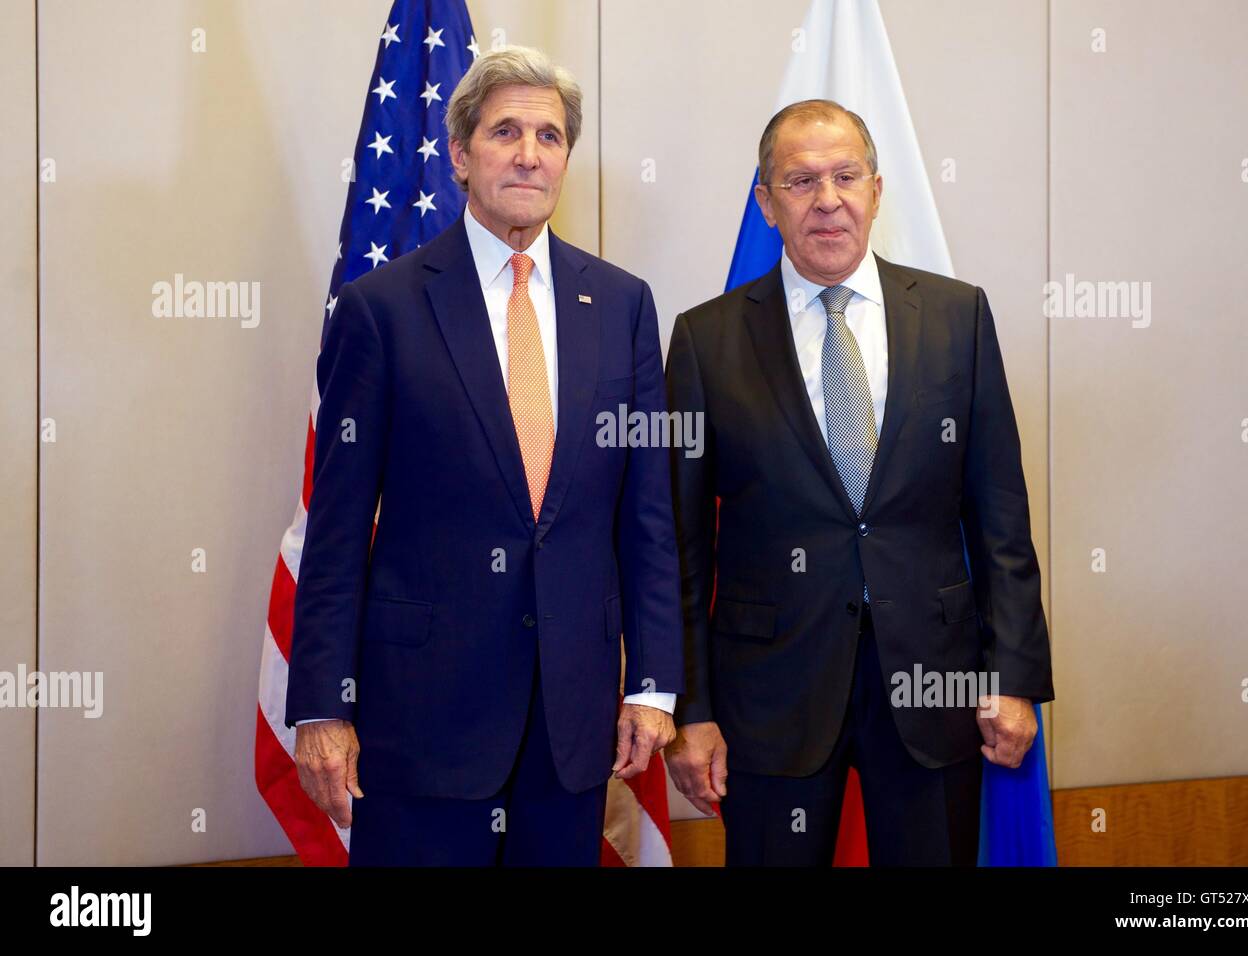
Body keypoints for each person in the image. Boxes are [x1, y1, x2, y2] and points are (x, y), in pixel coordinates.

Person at [285, 46, 683, 866]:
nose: (530, 153)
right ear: (461, 155)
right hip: (420, 722)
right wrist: (322, 706)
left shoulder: (622, 306)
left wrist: (651, 684)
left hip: (571, 727)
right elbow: (335, 532)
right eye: (506, 131)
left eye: (549, 135)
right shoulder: (381, 309)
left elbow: (647, 518)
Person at [664, 99, 1054, 866]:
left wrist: (1014, 677)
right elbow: (680, 548)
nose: (828, 199)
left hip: (934, 687)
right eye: (800, 181)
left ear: (877, 190)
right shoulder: (705, 339)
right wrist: (692, 709)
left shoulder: (957, 317)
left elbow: (1001, 517)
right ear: (766, 203)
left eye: (846, 176)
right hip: (770, 696)